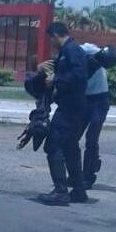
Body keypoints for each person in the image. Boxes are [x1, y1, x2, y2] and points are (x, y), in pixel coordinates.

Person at [38, 22, 88, 206]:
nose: (50, 42)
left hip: (70, 107)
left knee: (53, 145)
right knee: (70, 148)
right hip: (74, 107)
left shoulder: (71, 50)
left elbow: (80, 76)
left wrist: (56, 79)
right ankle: (79, 191)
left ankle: (60, 191)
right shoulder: (69, 50)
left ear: (55, 35)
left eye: (50, 38)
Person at [78, 43, 116, 189]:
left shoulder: (87, 49)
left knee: (92, 137)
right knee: (73, 136)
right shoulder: (67, 58)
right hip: (83, 99)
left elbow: (110, 55)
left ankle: (89, 174)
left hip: (100, 99)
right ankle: (76, 173)